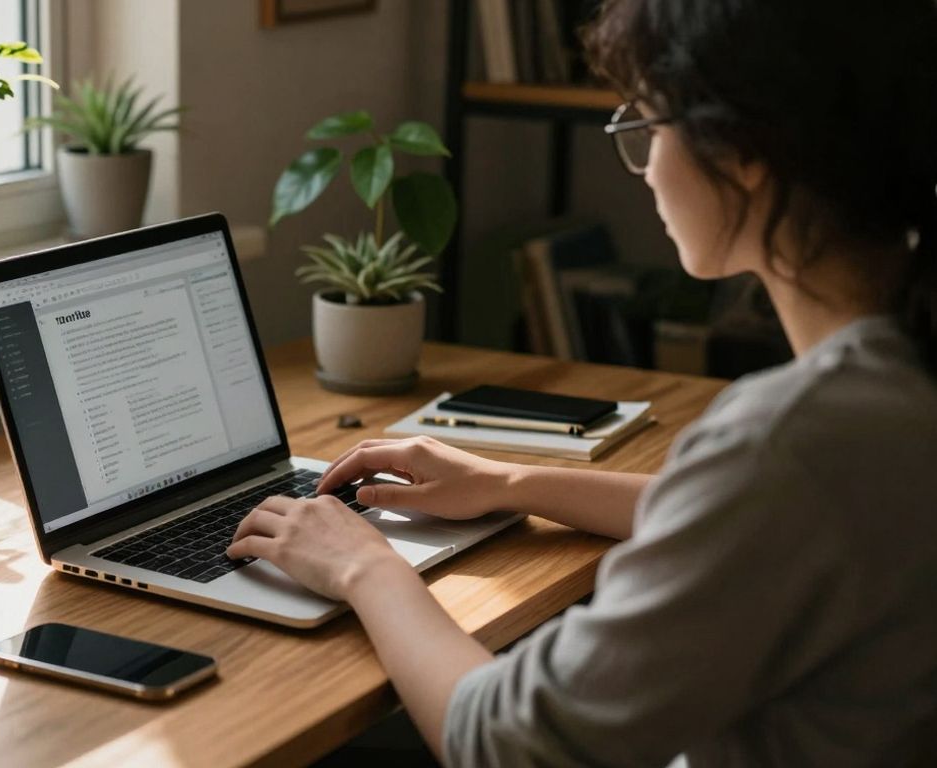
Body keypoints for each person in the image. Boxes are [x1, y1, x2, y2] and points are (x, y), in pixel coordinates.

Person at [227, 0, 937, 765]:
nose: (644, 167)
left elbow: (505, 742)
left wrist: (364, 566)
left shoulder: (794, 438)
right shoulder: (885, 387)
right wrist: (512, 481)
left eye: (650, 127)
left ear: (742, 151)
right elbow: (773, 516)